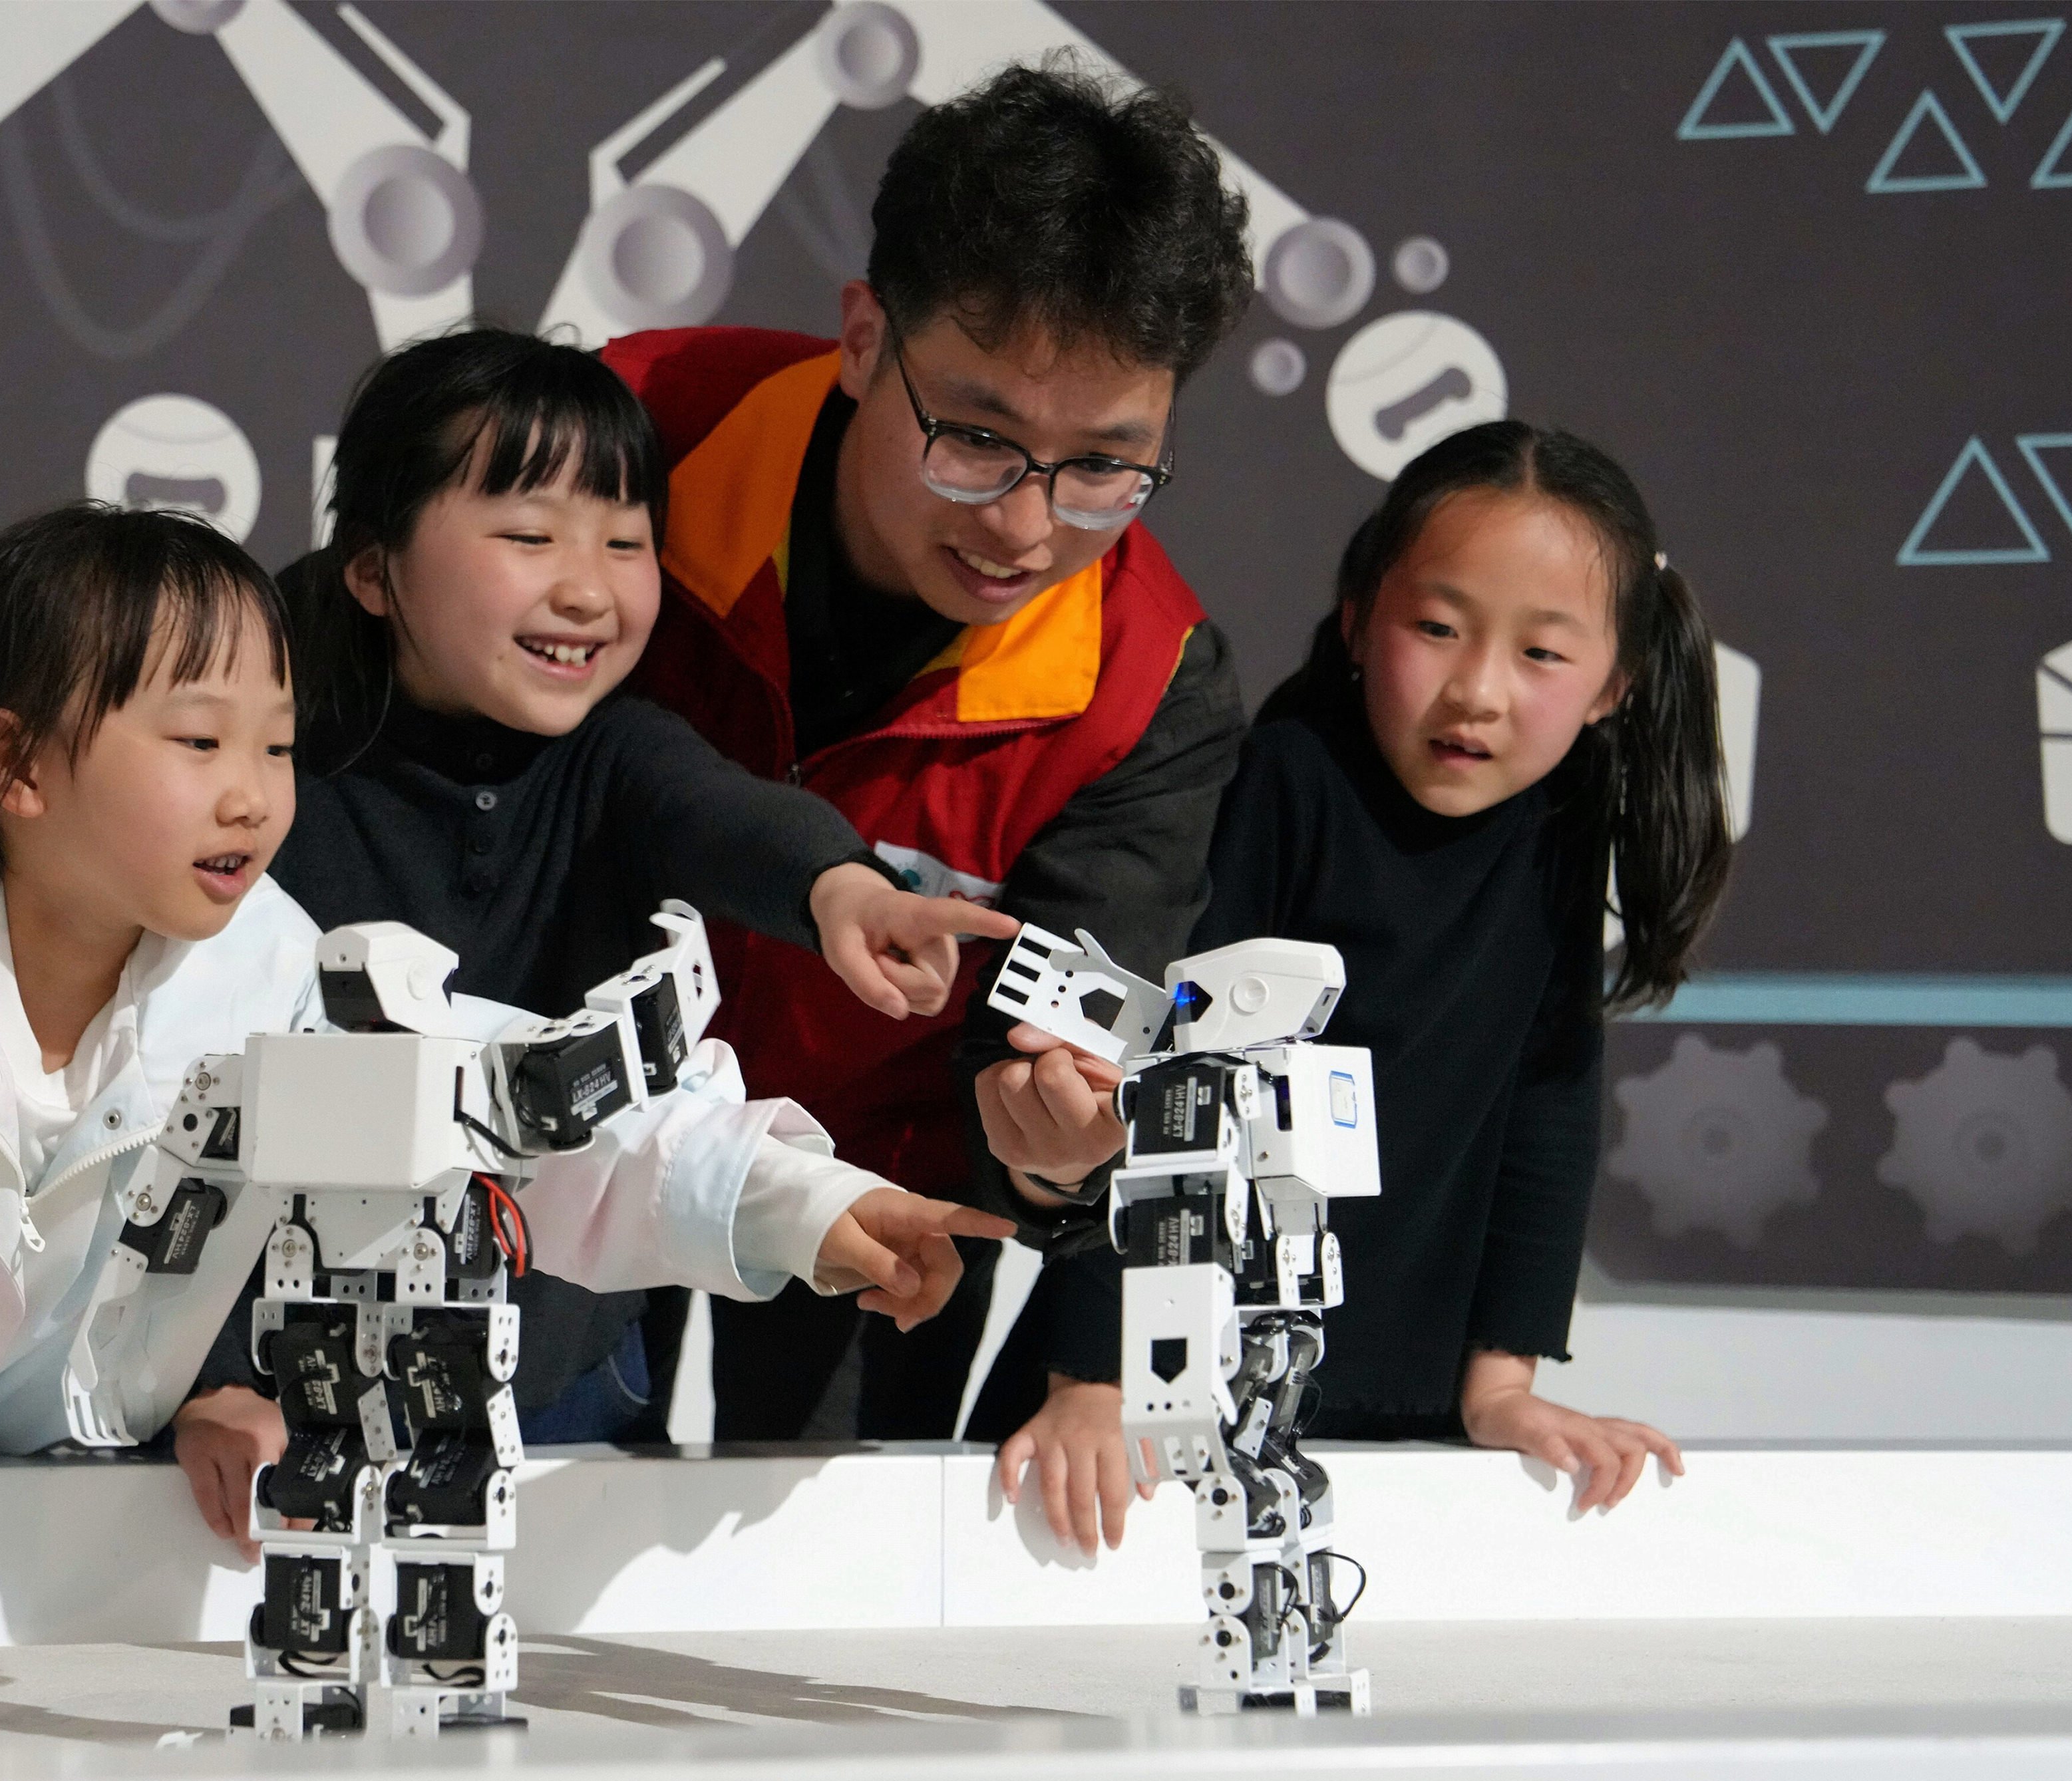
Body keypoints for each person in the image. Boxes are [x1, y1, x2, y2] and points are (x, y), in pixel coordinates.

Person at [0, 503, 999, 1683]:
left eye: (279, 744)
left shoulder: (248, 963)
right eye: (195, 738)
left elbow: (487, 1105)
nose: (252, 794)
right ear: (17, 764)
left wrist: (797, 1201)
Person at [172, 330, 1020, 1532]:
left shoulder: (618, 754)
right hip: (273, 1368)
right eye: (529, 537)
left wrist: (844, 888)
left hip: (563, 1369)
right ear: (372, 569)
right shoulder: (271, 775)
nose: (588, 587)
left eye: (626, 542)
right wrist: (217, 1373)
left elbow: (720, 814)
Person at [600, 59, 1254, 1543]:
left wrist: (1041, 1145)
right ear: (858, 337)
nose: (1025, 524)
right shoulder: (627, 436)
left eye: (1102, 466)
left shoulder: (1144, 682)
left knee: (805, 1599)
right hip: (560, 1147)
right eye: (973, 433)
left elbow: (1059, 1048)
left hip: (868, 1204)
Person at [993, 419, 1726, 1512]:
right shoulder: (1285, 782)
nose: (1477, 689)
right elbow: (1158, 1081)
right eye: (1437, 626)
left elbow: (1546, 1100)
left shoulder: (1566, 820)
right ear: (1357, 617)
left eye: (1541, 652)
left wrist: (1503, 1383)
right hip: (1138, 1399)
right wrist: (1093, 1375)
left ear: (1615, 682)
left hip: (1406, 1406)